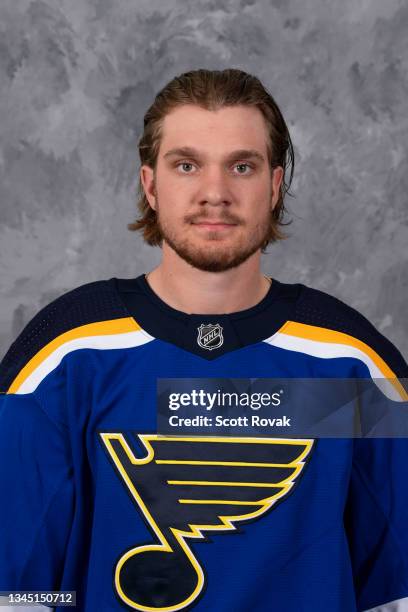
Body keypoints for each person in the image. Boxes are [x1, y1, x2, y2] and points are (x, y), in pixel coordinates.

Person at [0, 68, 407, 612]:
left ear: (274, 185)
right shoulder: (64, 356)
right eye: (186, 165)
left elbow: (395, 590)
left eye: (242, 166)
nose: (215, 194)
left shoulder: (350, 362)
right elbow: (19, 590)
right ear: (150, 184)